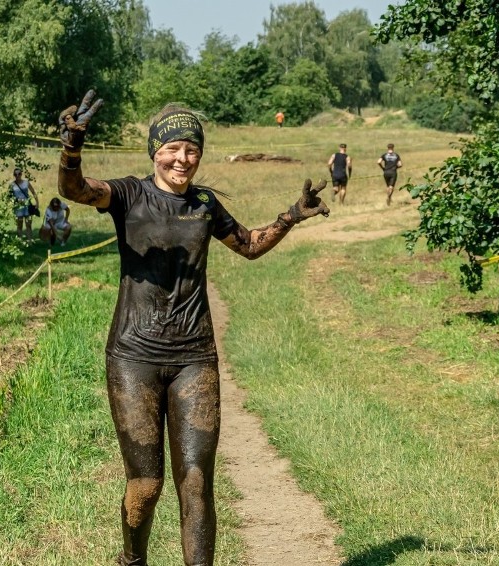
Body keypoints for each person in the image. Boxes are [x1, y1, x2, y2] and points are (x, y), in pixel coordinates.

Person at [56, 90, 329, 566]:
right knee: (146, 484)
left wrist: (290, 216)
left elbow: (247, 244)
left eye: (191, 149)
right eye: (172, 149)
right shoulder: (127, 194)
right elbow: (75, 190)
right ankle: (131, 559)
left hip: (194, 358)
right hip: (133, 357)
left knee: (197, 481)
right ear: (155, 152)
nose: (182, 158)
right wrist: (71, 148)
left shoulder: (204, 205)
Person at [10, 167, 40, 241]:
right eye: (15, 174)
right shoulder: (12, 185)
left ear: (21, 174)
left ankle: (29, 241)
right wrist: (16, 200)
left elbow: (33, 192)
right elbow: (9, 197)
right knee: (19, 224)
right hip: (18, 207)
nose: (17, 176)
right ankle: (20, 241)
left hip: (27, 206)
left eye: (19, 174)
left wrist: (37, 202)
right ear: (14, 175)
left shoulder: (26, 182)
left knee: (28, 224)